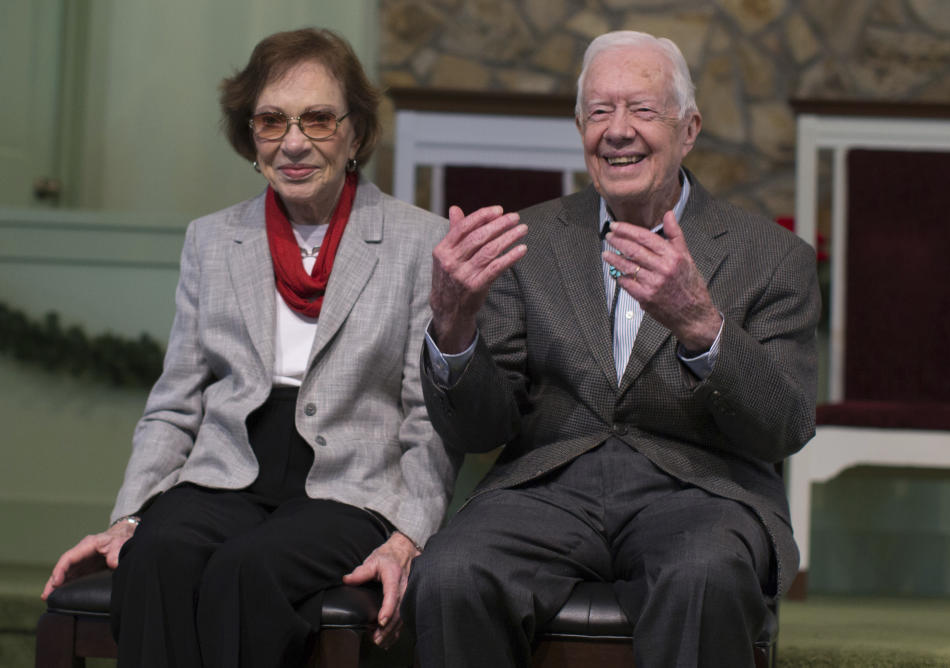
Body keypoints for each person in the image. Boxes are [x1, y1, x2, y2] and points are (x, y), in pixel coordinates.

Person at [41, 27, 455, 667]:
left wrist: (409, 534)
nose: (294, 142)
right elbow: (175, 401)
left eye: (317, 119)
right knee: (157, 555)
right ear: (250, 136)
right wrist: (129, 516)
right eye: (271, 121)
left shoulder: (418, 242)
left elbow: (429, 416)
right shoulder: (212, 240)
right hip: (227, 469)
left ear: (355, 133)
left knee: (248, 569)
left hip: (351, 485)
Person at [405, 30, 819, 667]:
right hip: (548, 487)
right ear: (579, 128)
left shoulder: (771, 257)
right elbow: (483, 427)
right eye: (599, 111)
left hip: (700, 491)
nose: (617, 130)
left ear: (689, 129)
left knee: (704, 573)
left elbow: (784, 426)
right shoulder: (530, 240)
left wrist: (701, 324)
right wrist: (454, 329)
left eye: (643, 110)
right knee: (452, 570)